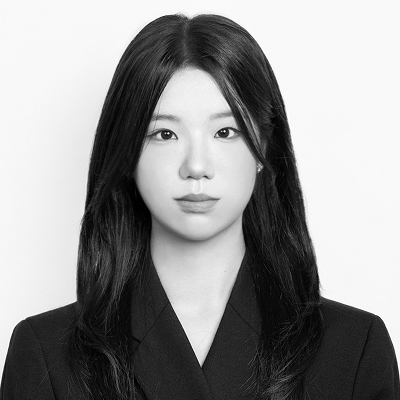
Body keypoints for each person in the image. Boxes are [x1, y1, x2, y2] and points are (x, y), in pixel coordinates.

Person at [1, 13, 398, 400]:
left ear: (263, 148)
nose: (195, 166)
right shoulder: (44, 354)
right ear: (127, 152)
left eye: (225, 131)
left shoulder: (354, 351)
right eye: (164, 134)